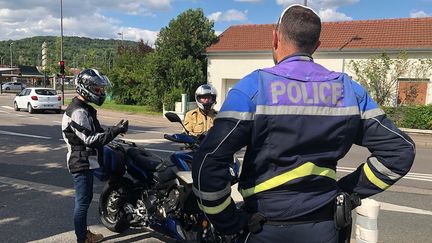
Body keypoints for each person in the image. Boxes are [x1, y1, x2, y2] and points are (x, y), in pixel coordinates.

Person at [191, 4, 415, 243]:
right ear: (316, 46)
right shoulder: (349, 91)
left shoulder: (253, 88)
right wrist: (347, 191)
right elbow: (400, 152)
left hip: (265, 228)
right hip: (325, 228)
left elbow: (208, 163)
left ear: (275, 37)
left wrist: (228, 222)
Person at [62, 68, 129, 243]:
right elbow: (91, 139)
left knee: (86, 199)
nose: (101, 92)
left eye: (101, 89)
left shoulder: (85, 108)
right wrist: (115, 130)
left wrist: (115, 130)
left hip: (88, 161)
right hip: (81, 162)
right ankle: (82, 238)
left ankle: (84, 235)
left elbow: (99, 132)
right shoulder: (78, 111)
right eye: (98, 89)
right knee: (82, 203)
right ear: (86, 88)